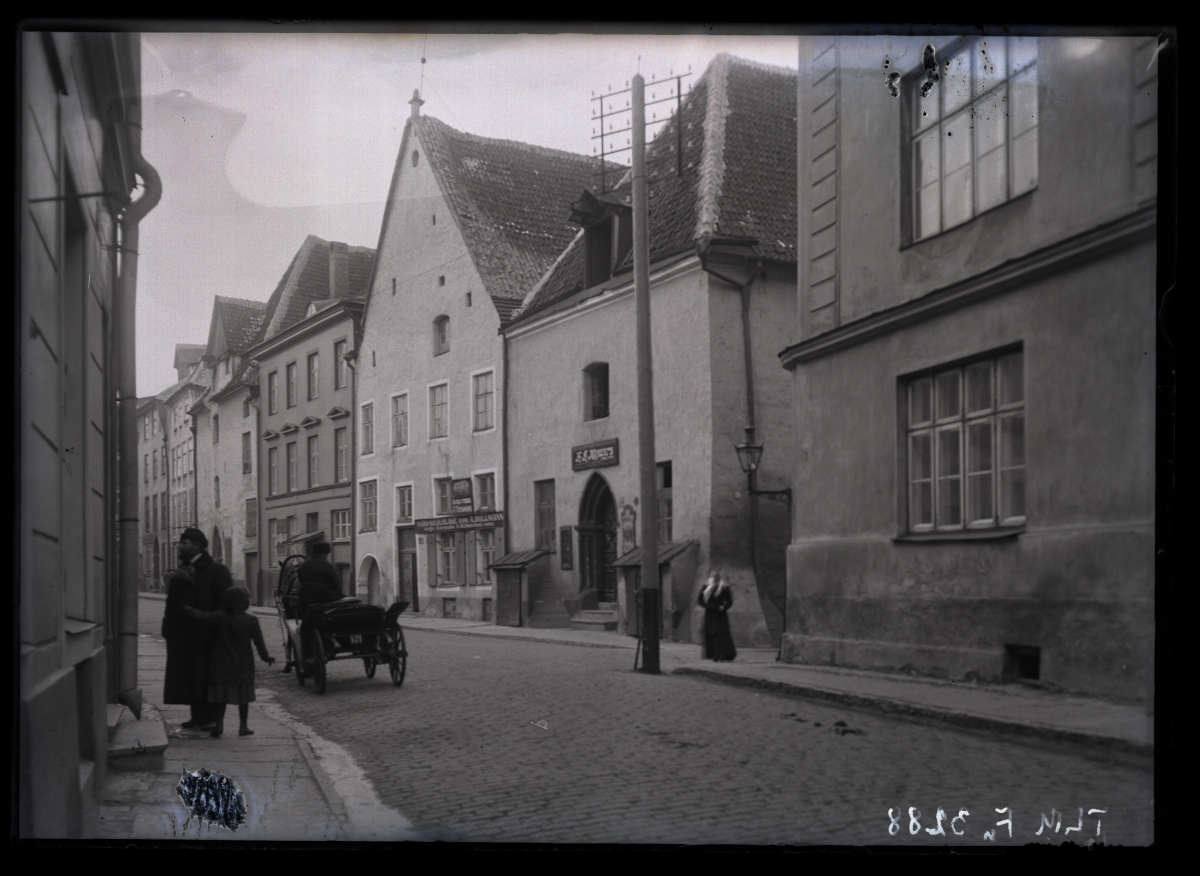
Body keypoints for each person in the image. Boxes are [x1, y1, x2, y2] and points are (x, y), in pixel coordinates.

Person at [162, 528, 234, 730]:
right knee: (189, 675)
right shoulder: (181, 572)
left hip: (207, 634)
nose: (180, 546)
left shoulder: (217, 570)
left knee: (208, 676)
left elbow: (226, 604)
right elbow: (172, 603)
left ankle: (211, 718)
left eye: (184, 543)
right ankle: (197, 717)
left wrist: (209, 621)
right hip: (183, 635)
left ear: (197, 546)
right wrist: (167, 628)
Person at [184, 587, 275, 738]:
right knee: (243, 698)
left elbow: (202, 617)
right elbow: (260, 644)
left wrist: (187, 608)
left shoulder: (221, 617)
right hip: (243, 665)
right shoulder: (251, 620)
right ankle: (243, 726)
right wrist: (266, 658)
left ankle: (219, 725)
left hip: (221, 664)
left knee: (221, 698)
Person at [697, 568, 737, 662]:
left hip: (720, 615)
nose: (716, 577)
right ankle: (714, 654)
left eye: (717, 576)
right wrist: (710, 607)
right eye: (714, 575)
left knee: (721, 635)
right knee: (712, 635)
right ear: (711, 576)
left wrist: (724, 607)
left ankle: (723, 654)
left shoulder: (724, 588)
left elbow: (729, 601)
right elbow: (700, 601)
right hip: (710, 614)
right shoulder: (706, 587)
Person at [296, 542, 346, 607]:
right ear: (324, 554)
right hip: (323, 596)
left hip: (305, 596)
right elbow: (335, 585)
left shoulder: (302, 565)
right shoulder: (326, 565)